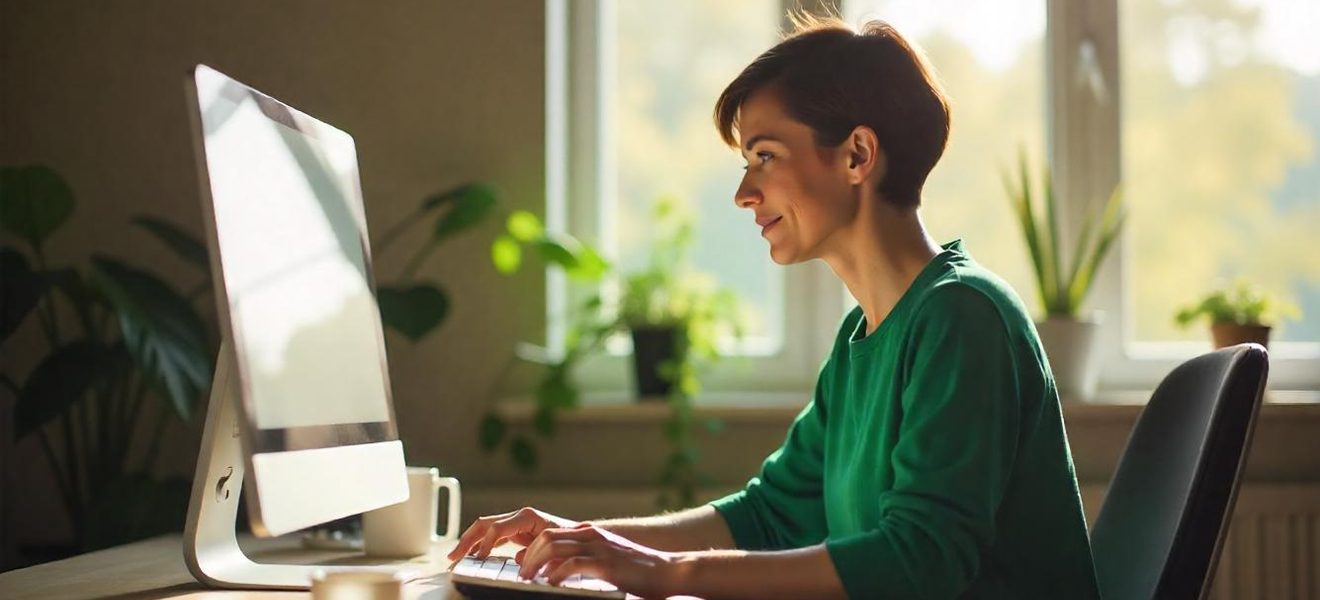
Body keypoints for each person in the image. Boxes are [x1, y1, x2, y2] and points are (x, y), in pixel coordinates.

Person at [448, 13, 1101, 600]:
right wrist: (583, 540)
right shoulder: (861, 339)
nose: (743, 193)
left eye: (765, 156)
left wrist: (663, 573)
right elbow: (768, 515)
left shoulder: (963, 317)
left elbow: (920, 562)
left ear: (857, 155)